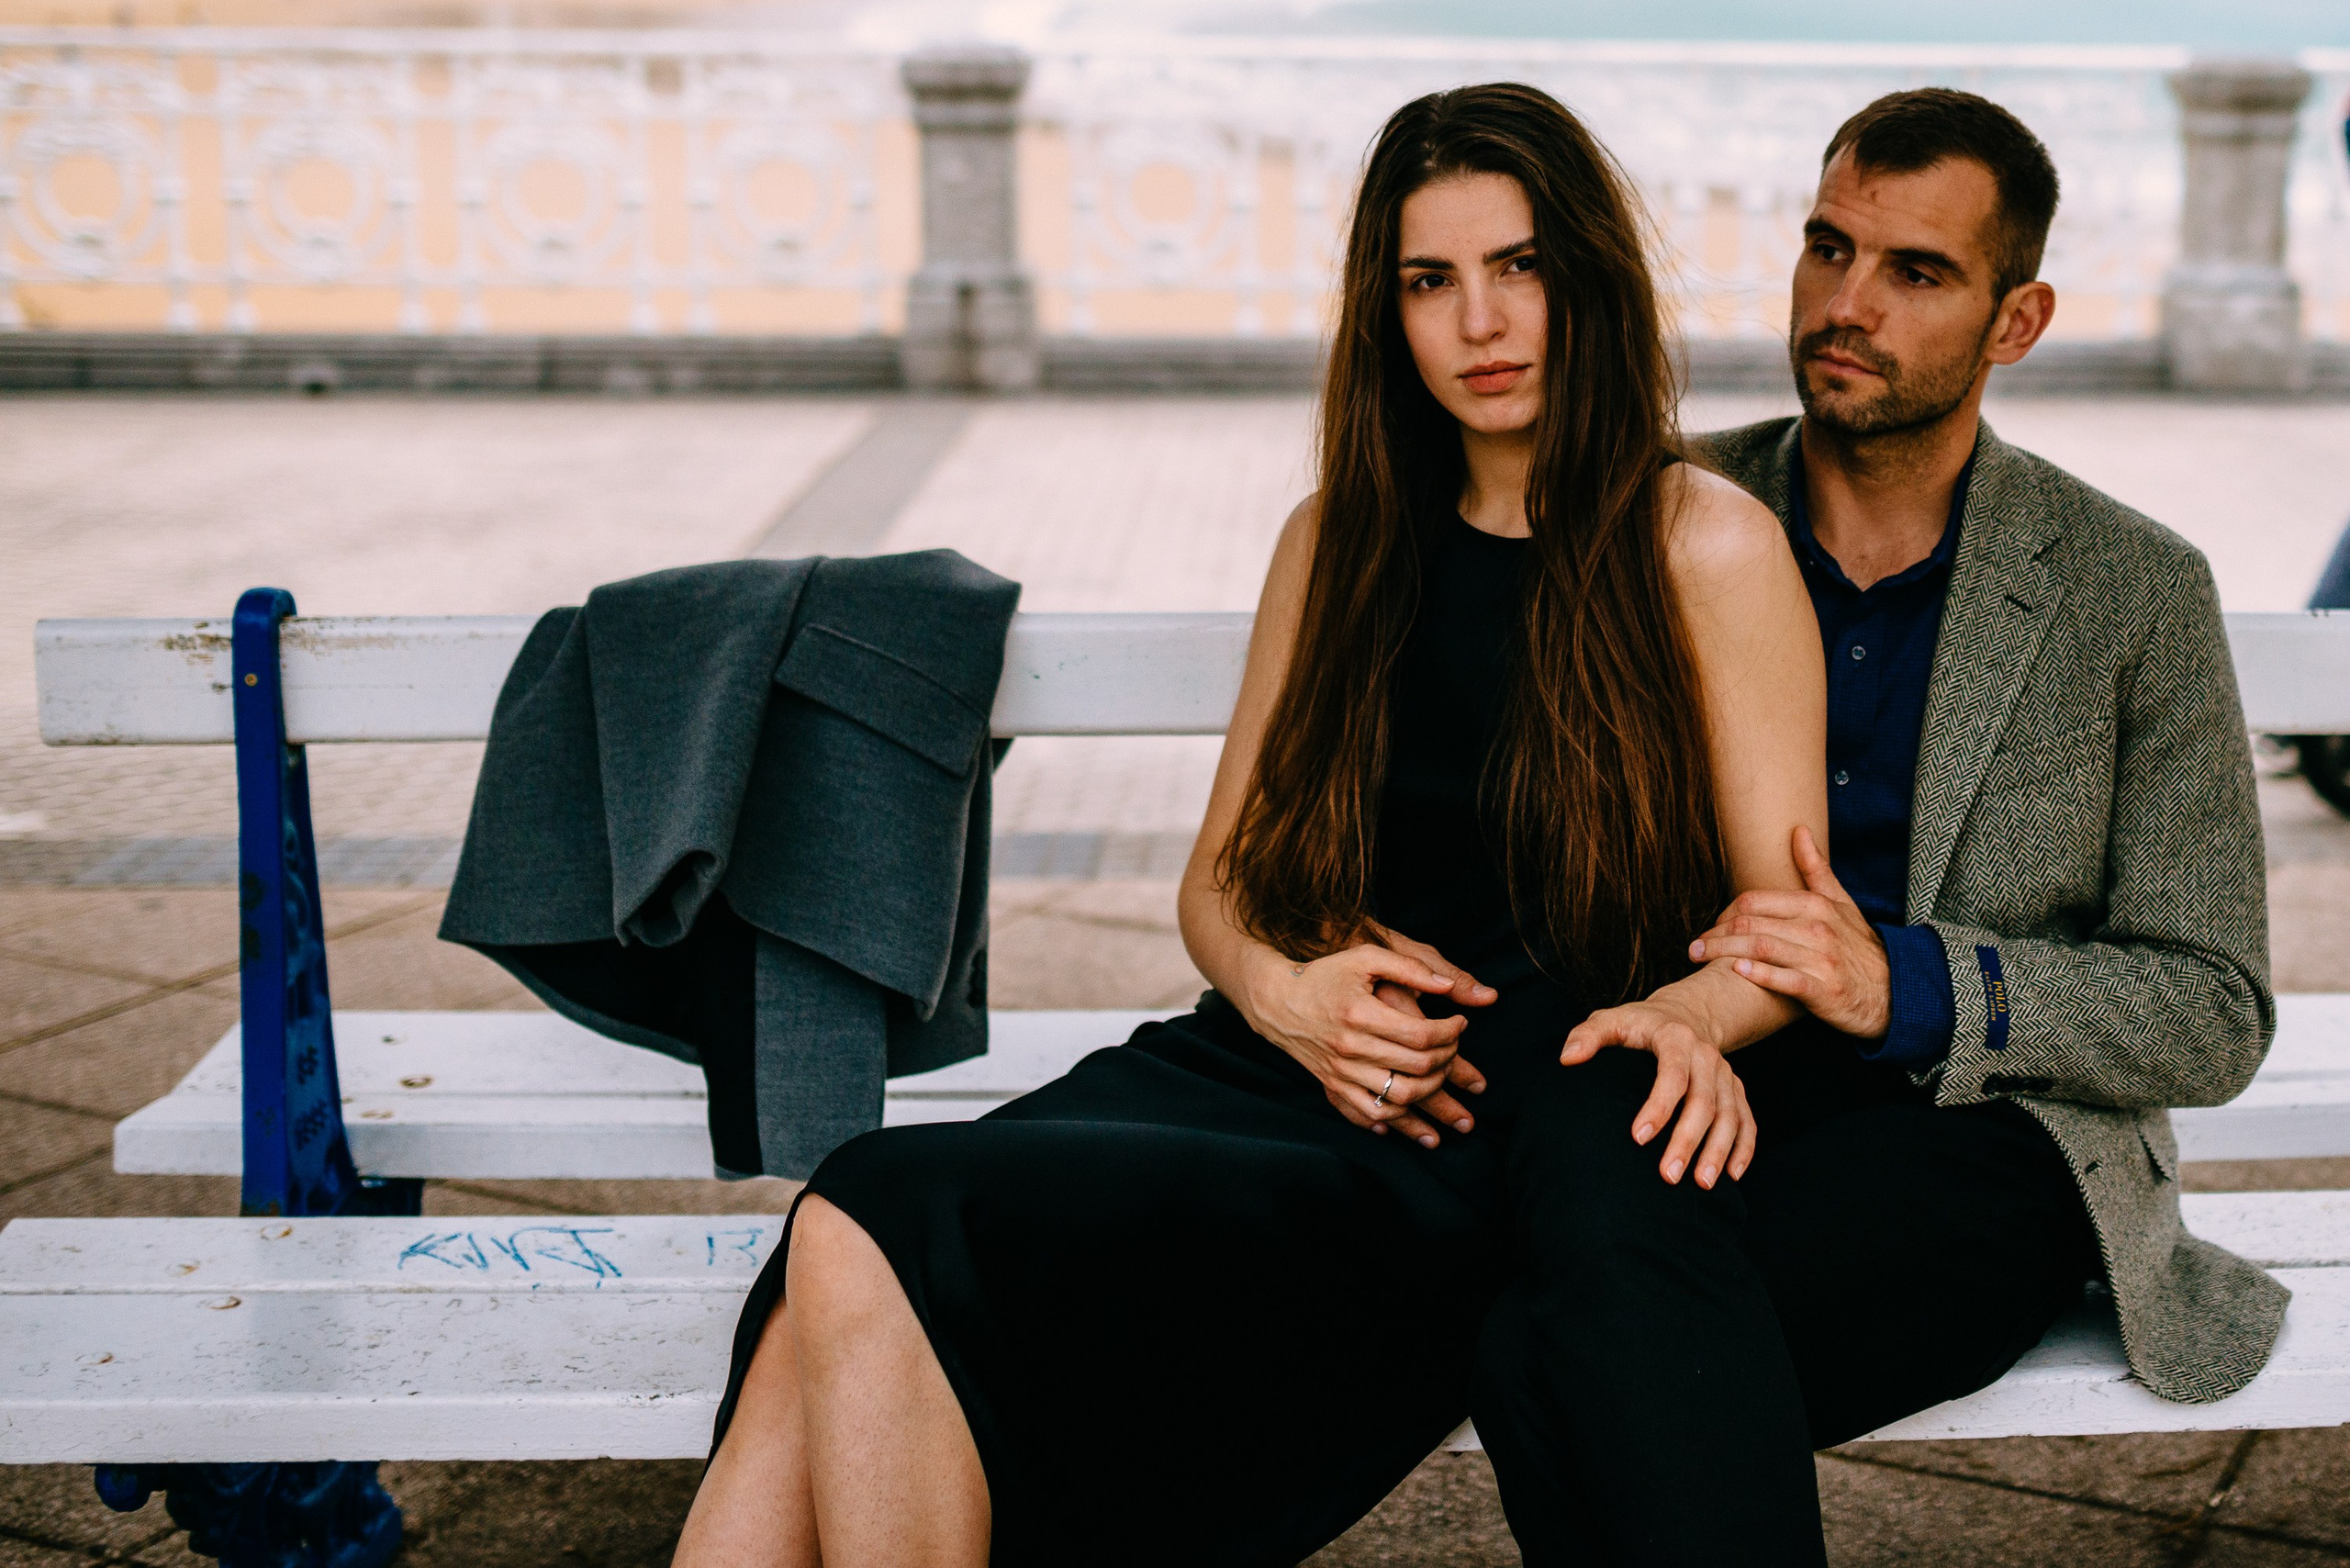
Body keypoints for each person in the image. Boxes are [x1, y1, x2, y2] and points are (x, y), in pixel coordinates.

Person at [673, 81, 1830, 1568]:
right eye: (1430, 281)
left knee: (864, 1225)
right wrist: (1293, 1001)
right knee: (851, 1248)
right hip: (1265, 1061)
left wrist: (1684, 1020)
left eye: (1518, 265)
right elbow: (1219, 883)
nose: (1481, 322)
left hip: (1469, 1139)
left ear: (1589, 275)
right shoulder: (1340, 536)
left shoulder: (1705, 548)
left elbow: (1783, 925)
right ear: (1386, 312)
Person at [1459, 88, 2286, 1565]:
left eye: (1915, 272)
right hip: (1691, 1073)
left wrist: (1901, 983)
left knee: (1554, 1347)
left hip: (1985, 1132)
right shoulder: (1656, 512)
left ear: (2016, 319)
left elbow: (2211, 1008)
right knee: (1567, 1320)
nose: (1845, 305)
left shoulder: (2131, 587)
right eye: (1827, 248)